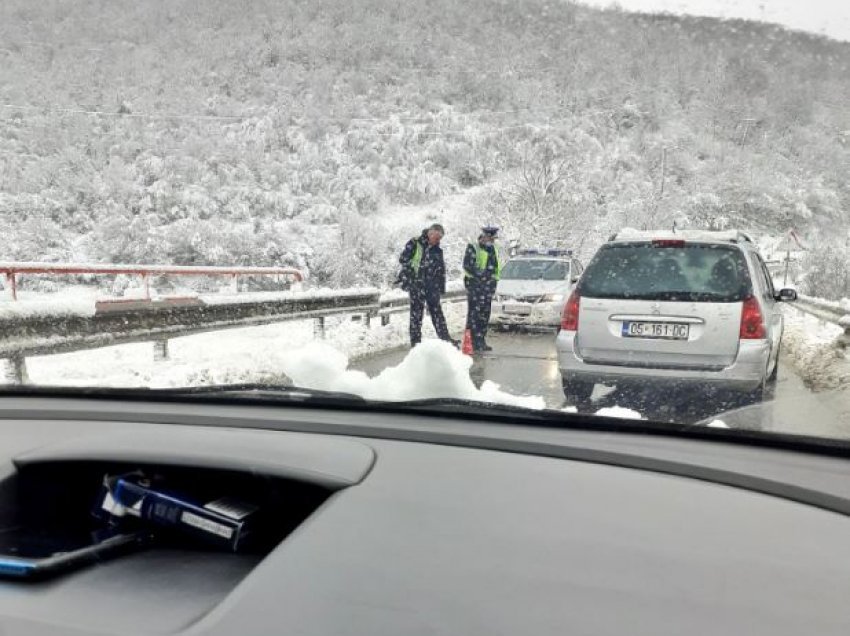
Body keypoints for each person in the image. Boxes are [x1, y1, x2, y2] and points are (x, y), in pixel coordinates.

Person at [397, 223, 455, 348]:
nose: (438, 241)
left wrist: (440, 288)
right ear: (430, 233)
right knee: (416, 315)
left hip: (431, 287)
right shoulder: (415, 243)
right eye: (437, 238)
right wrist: (411, 275)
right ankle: (416, 343)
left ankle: (446, 340)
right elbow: (403, 259)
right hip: (416, 285)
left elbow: (441, 270)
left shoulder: (437, 250)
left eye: (440, 239)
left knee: (437, 314)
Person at [463, 226, 501, 353]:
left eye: (493, 239)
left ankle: (481, 341)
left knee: (484, 315)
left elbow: (495, 268)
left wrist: (492, 282)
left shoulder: (493, 249)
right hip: (475, 286)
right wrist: (481, 277)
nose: (492, 241)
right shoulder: (473, 247)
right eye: (490, 238)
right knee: (474, 315)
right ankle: (470, 342)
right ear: (484, 236)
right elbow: (468, 266)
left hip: (488, 288)